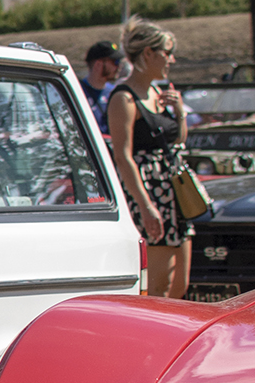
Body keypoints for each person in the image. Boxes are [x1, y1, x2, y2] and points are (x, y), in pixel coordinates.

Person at [106, 18, 192, 297]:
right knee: (158, 288)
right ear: (148, 54)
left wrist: (180, 111)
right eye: (167, 52)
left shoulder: (158, 92)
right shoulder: (124, 98)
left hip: (175, 195)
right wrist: (145, 204)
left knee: (180, 285)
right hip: (151, 195)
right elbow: (123, 156)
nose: (172, 59)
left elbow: (178, 140)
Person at [79, 40, 125, 131]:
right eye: (115, 62)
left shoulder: (114, 92)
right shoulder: (77, 92)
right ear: (98, 64)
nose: (119, 66)